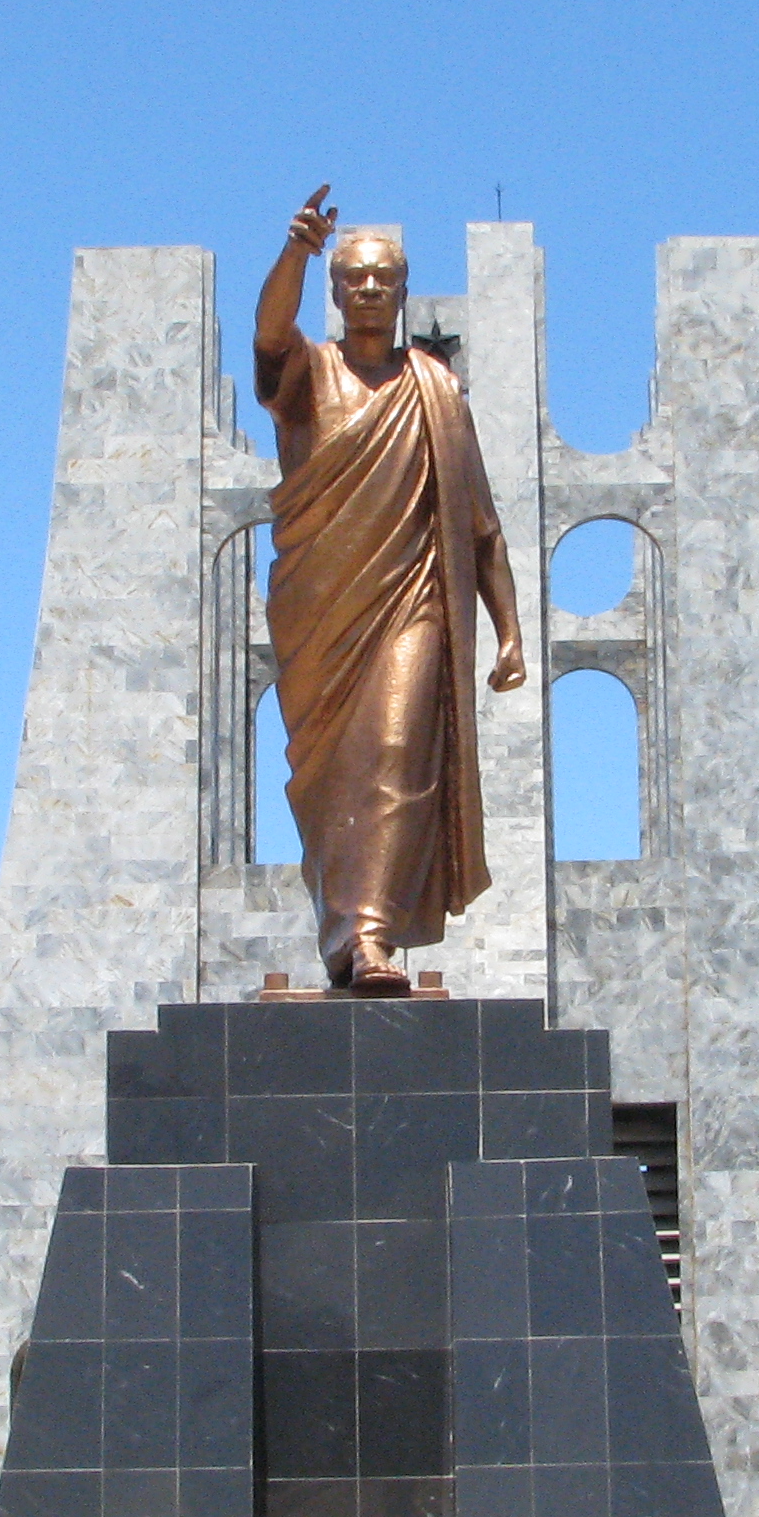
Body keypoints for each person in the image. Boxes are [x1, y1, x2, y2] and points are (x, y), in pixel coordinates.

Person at [252, 187, 528, 993]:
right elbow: (270, 336)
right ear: (335, 294)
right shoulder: (309, 374)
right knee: (333, 775)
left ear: (401, 293)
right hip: (320, 612)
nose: (370, 290)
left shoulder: (436, 390)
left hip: (414, 602)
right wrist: (295, 254)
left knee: (400, 753)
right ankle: (341, 935)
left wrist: (507, 629)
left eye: (384, 279)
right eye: (355, 280)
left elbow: (479, 522)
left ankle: (368, 935)